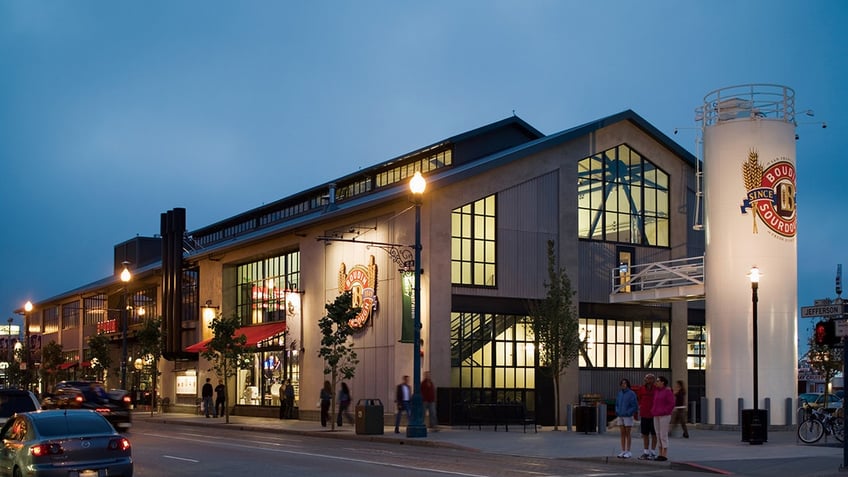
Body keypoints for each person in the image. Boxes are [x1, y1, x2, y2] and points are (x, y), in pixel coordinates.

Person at [651, 376, 675, 462]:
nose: (656, 382)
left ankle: (664, 453)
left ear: (663, 382)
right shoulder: (656, 391)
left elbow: (671, 403)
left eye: (658, 381)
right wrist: (653, 410)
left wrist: (665, 411)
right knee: (657, 433)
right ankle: (660, 452)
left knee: (663, 434)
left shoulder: (667, 392)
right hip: (656, 414)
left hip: (664, 415)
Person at [635, 373, 658, 460]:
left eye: (650, 379)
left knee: (654, 434)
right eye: (647, 379)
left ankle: (653, 452)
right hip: (644, 414)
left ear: (653, 380)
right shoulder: (641, 389)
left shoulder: (656, 389)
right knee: (645, 434)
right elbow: (639, 399)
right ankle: (646, 452)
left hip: (654, 415)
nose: (648, 380)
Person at [614, 378, 639, 458]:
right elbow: (617, 404)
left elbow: (634, 405)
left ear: (627, 384)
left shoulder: (631, 394)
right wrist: (617, 411)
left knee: (628, 433)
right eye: (622, 383)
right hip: (620, 415)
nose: (623, 385)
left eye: (625, 383)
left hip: (628, 416)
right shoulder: (620, 394)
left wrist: (629, 412)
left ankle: (628, 451)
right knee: (622, 433)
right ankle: (623, 450)